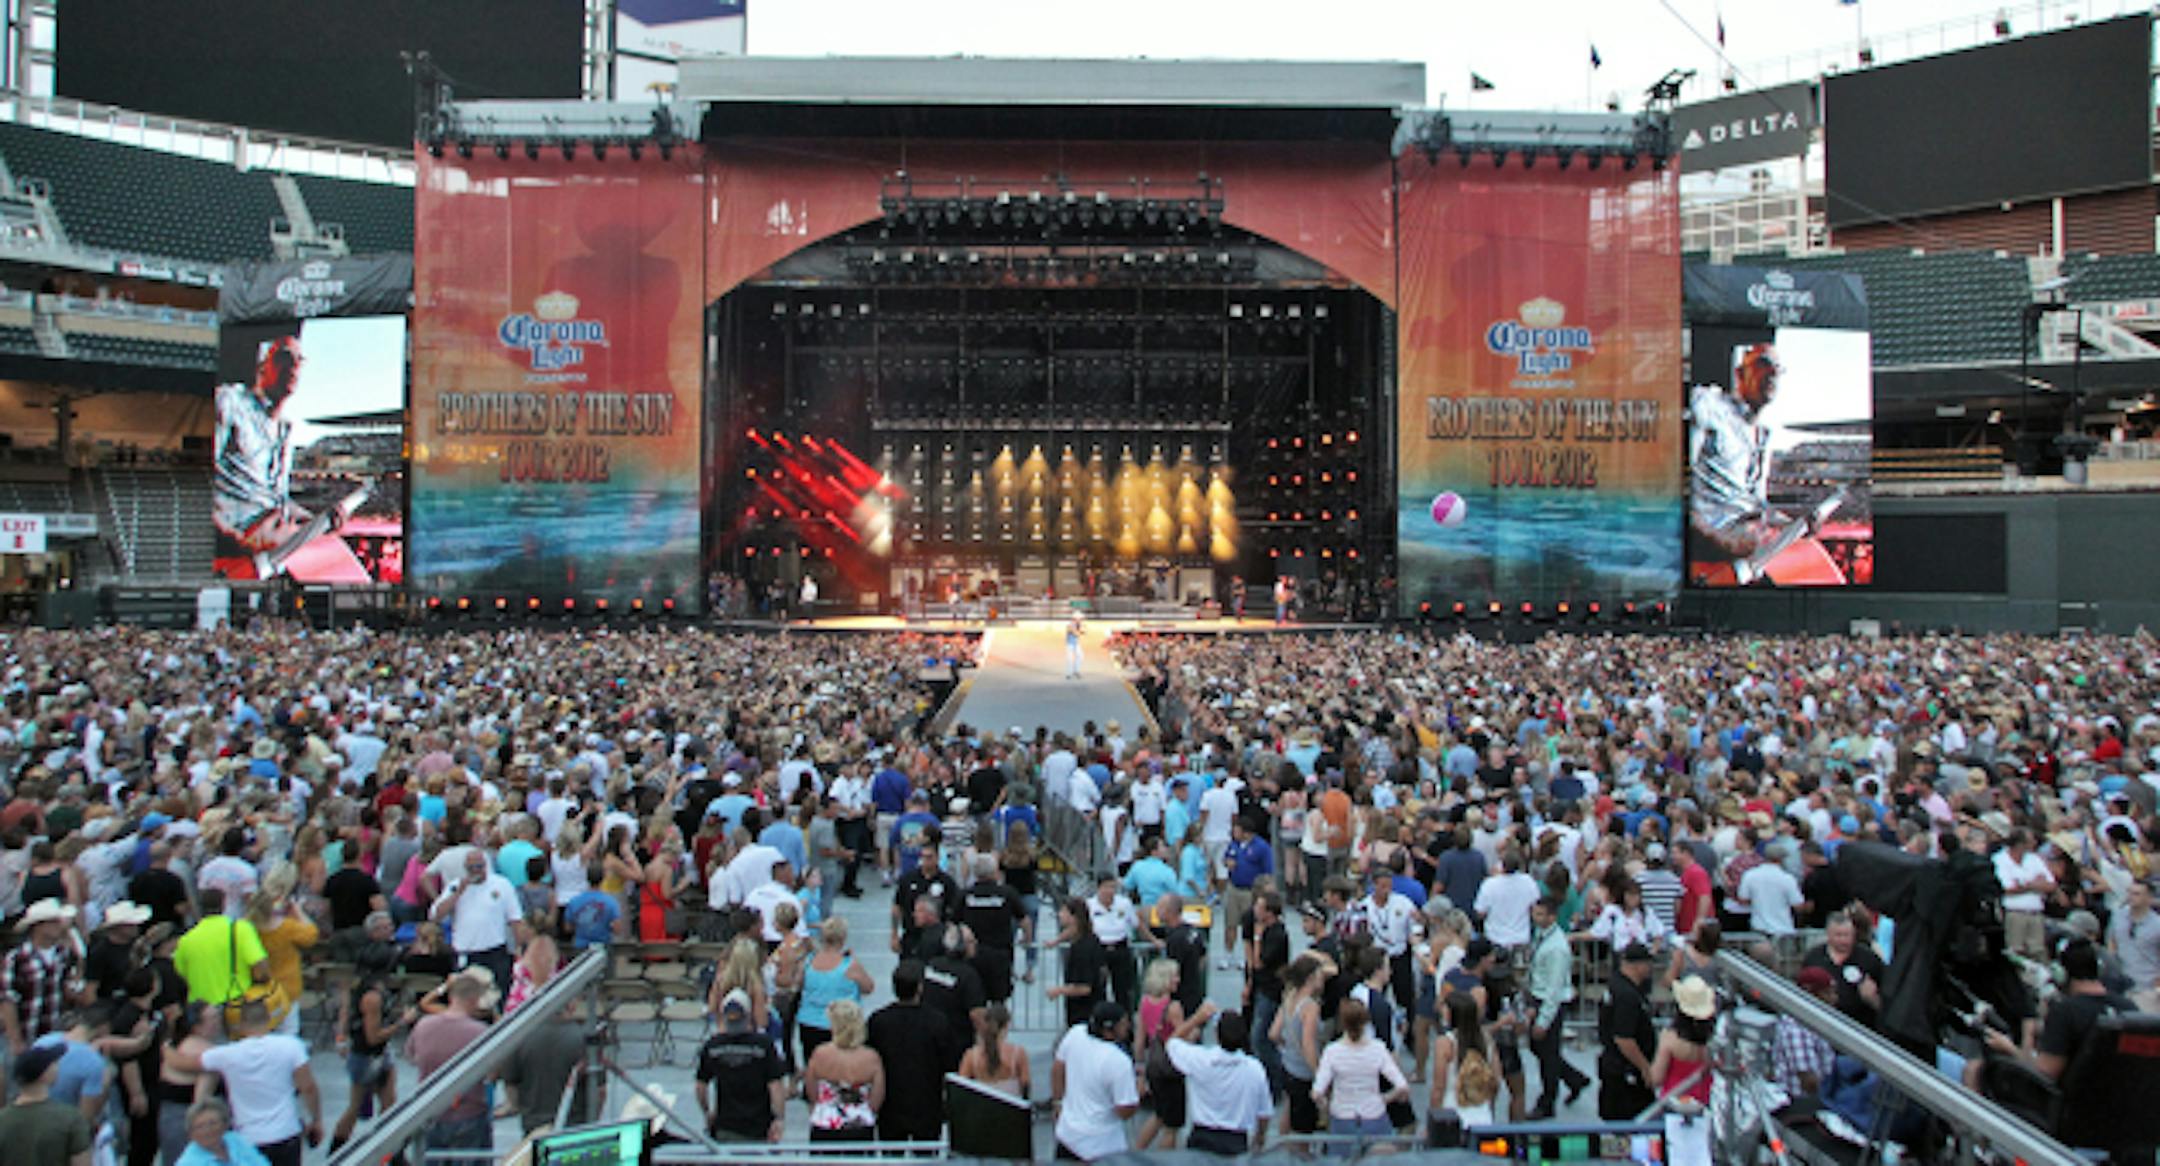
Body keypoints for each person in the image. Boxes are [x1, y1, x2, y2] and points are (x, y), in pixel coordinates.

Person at [215, 336, 333, 571]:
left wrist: (319, 518)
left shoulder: (286, 430)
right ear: (262, 367)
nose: (294, 366)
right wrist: (234, 539)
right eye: (284, 357)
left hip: (270, 552)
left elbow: (278, 498)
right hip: (235, 545)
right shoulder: (229, 401)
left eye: (300, 360)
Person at [1688, 341, 1792, 582]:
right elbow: (1672, 485)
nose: (1772, 372)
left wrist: (1794, 523)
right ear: (1739, 374)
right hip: (1707, 557)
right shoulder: (1708, 406)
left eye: (1778, 367)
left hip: (1744, 560)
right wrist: (1719, 539)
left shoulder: (1764, 435)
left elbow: (1756, 503)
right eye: (1763, 364)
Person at [194, 998, 319, 1166]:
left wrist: (166, 1048)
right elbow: (308, 1087)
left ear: (241, 1024)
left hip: (248, 1138)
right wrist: (316, 1119)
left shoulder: (227, 1054)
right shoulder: (291, 1046)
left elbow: (188, 1062)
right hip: (286, 1132)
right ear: (268, 1019)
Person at [1985, 940, 2132, 1081]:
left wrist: (2010, 1048)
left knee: (1978, 1070)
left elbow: (2044, 1073)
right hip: (2118, 1100)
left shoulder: (2065, 1011)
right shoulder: (2128, 1008)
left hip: (2073, 1101)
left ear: (2061, 973)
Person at [330, 934, 413, 1153]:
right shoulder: (372, 997)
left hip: (374, 1053)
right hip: (368, 1056)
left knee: (387, 1105)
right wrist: (402, 1023)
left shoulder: (359, 986)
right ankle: (341, 1151)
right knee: (358, 1107)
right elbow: (373, 1036)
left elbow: (346, 1012)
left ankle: (391, 1153)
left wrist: (341, 1037)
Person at [866, 960, 959, 1143]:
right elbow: (950, 1062)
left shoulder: (879, 1021)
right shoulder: (937, 1021)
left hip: (890, 1104)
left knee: (892, 1156)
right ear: (920, 988)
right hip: (927, 1102)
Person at [405, 969, 493, 1158]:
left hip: (430, 1112)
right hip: (469, 1113)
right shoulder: (479, 1032)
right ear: (475, 1000)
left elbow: (411, 1057)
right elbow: (492, 1073)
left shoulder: (424, 1025)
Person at [1167, 1004, 1272, 1156]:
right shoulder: (1254, 1069)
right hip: (1236, 1141)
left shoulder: (1200, 1060)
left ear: (1217, 1035)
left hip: (1201, 1138)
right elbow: (1264, 1113)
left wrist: (1197, 1019)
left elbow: (1172, 1043)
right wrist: (1260, 1138)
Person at [1313, 996, 1409, 1153]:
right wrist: (1384, 1099)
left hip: (1342, 1118)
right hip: (1374, 1115)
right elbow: (1402, 1086)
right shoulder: (1378, 1048)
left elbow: (1317, 1092)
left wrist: (1327, 1105)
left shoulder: (1332, 1051)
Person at [695, 989, 786, 1143]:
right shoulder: (764, 1045)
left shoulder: (713, 1046)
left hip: (726, 1125)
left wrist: (707, 1112)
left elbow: (700, 1086)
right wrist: (779, 1118)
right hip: (759, 1127)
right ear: (748, 1015)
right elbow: (775, 1086)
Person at [1525, 896, 1588, 1118]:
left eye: (1541, 914)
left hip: (1550, 1002)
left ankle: (1548, 1101)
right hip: (1538, 996)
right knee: (1540, 1048)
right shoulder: (1541, 936)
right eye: (1535, 913)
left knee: (1548, 1054)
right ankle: (1574, 1078)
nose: (1536, 918)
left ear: (1552, 917)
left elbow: (1554, 988)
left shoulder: (1557, 948)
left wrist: (1544, 1019)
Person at [1053, 1000, 1140, 1161]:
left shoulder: (1075, 1033)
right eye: (1123, 1024)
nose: (1127, 1027)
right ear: (1109, 1031)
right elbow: (1124, 1110)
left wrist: (1058, 1103)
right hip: (1102, 1146)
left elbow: (1058, 1067)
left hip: (1067, 1135)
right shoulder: (1119, 1061)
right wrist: (1137, 1091)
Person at [2, 899, 87, 1057]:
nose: (60, 925)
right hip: (27, 1033)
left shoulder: (63, 954)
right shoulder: (16, 958)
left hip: (55, 1034)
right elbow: (8, 1001)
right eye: (54, 922)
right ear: (39, 926)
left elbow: (68, 988)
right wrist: (15, 1040)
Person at [431, 847, 520, 993]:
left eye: (479, 866)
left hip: (494, 952)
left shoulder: (502, 884)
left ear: (485, 865)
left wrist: (518, 948)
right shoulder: (455, 886)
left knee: (497, 994)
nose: (475, 871)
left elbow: (515, 919)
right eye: (471, 868)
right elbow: (436, 916)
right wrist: (458, 893)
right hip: (466, 953)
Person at [498, 999, 592, 1138]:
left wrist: (517, 1106)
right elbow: (599, 1088)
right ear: (571, 1006)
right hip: (574, 1122)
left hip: (533, 1122)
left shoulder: (521, 1037)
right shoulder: (582, 1038)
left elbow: (510, 1080)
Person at [802, 999, 882, 1143]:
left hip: (825, 1122)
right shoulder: (871, 1058)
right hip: (860, 1124)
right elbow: (877, 1099)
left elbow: (811, 1093)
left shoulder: (820, 1054)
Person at [1, 1041, 92, 1166]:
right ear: (44, 1074)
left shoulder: (3, 1120)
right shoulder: (70, 1118)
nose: (57, 1067)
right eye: (54, 1063)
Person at [1134, 958, 1193, 1149]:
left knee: (1159, 1114)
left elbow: (1140, 1040)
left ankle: (1138, 1151)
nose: (1178, 980)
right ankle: (1164, 1159)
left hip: (1154, 1065)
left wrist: (1140, 1071)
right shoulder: (1173, 1007)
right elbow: (1183, 1037)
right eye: (1174, 976)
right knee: (1172, 1125)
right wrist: (1195, 1029)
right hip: (1171, 1067)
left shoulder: (1144, 1003)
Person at [1272, 951, 1332, 1137]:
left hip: (1288, 1064)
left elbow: (1273, 1033)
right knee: (1304, 1127)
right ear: (1311, 978)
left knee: (1289, 1111)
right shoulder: (1310, 1007)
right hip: (1303, 1072)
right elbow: (1308, 1044)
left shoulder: (1289, 996)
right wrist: (1318, 1073)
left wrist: (1287, 1045)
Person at [795, 918, 873, 1062]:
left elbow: (799, 984)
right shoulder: (850, 965)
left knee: (813, 1064)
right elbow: (868, 987)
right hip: (840, 1024)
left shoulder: (808, 962)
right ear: (843, 938)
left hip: (809, 1021)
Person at [1598, 942, 1658, 1119]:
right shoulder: (1627, 996)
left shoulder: (1617, 984)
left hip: (1615, 1066)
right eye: (1647, 964)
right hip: (1625, 1073)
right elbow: (1624, 1039)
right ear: (1638, 965)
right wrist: (1645, 1067)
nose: (1649, 969)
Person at [1800, 911, 1886, 1028]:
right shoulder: (1814, 957)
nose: (1844, 940)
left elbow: (1886, 998)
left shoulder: (1869, 958)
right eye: (1839, 935)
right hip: (1823, 1023)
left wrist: (1872, 999)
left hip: (1861, 1025)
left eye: (1848, 935)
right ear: (1828, 935)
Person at [1429, 991, 1501, 1132]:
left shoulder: (1445, 1043)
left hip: (1450, 1117)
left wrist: (1432, 1120)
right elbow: (1496, 1080)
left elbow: (1438, 1088)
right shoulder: (1487, 1040)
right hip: (1482, 1115)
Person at [1651, 975, 1718, 1110]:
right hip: (1705, 1103)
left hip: (1674, 1101)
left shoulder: (1670, 1038)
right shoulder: (1714, 1039)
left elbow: (1656, 1078)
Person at [1773, 967, 1839, 1098]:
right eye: (1828, 993)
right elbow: (1809, 1081)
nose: (1834, 999)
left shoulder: (1816, 1022)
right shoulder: (1797, 1029)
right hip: (1802, 1102)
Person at [1050, 896, 1109, 1031]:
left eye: (1063, 912)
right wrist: (1056, 941)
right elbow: (1071, 931)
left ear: (1073, 917)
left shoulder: (1082, 949)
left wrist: (1059, 991)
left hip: (1084, 1014)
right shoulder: (1092, 939)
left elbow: (1084, 987)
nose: (1059, 915)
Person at [957, 1002, 1031, 1099]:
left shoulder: (971, 1055)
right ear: (1007, 1025)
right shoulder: (1017, 1053)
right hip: (1010, 1108)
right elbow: (1025, 1083)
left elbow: (961, 1086)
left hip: (981, 1108)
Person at [174, 1100, 267, 1166]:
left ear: (225, 1125)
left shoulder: (236, 1139)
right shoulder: (188, 1163)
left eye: (213, 1123)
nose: (208, 1130)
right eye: (200, 1126)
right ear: (191, 1134)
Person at [1066, 615, 1084, 680]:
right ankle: (1069, 673)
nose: (1080, 620)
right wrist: (1081, 631)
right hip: (1070, 644)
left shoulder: (1078, 625)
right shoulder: (1070, 625)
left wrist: (1081, 630)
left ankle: (1076, 671)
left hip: (1076, 644)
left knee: (1080, 656)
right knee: (1070, 658)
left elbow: (1083, 631)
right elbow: (1076, 633)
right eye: (1079, 619)